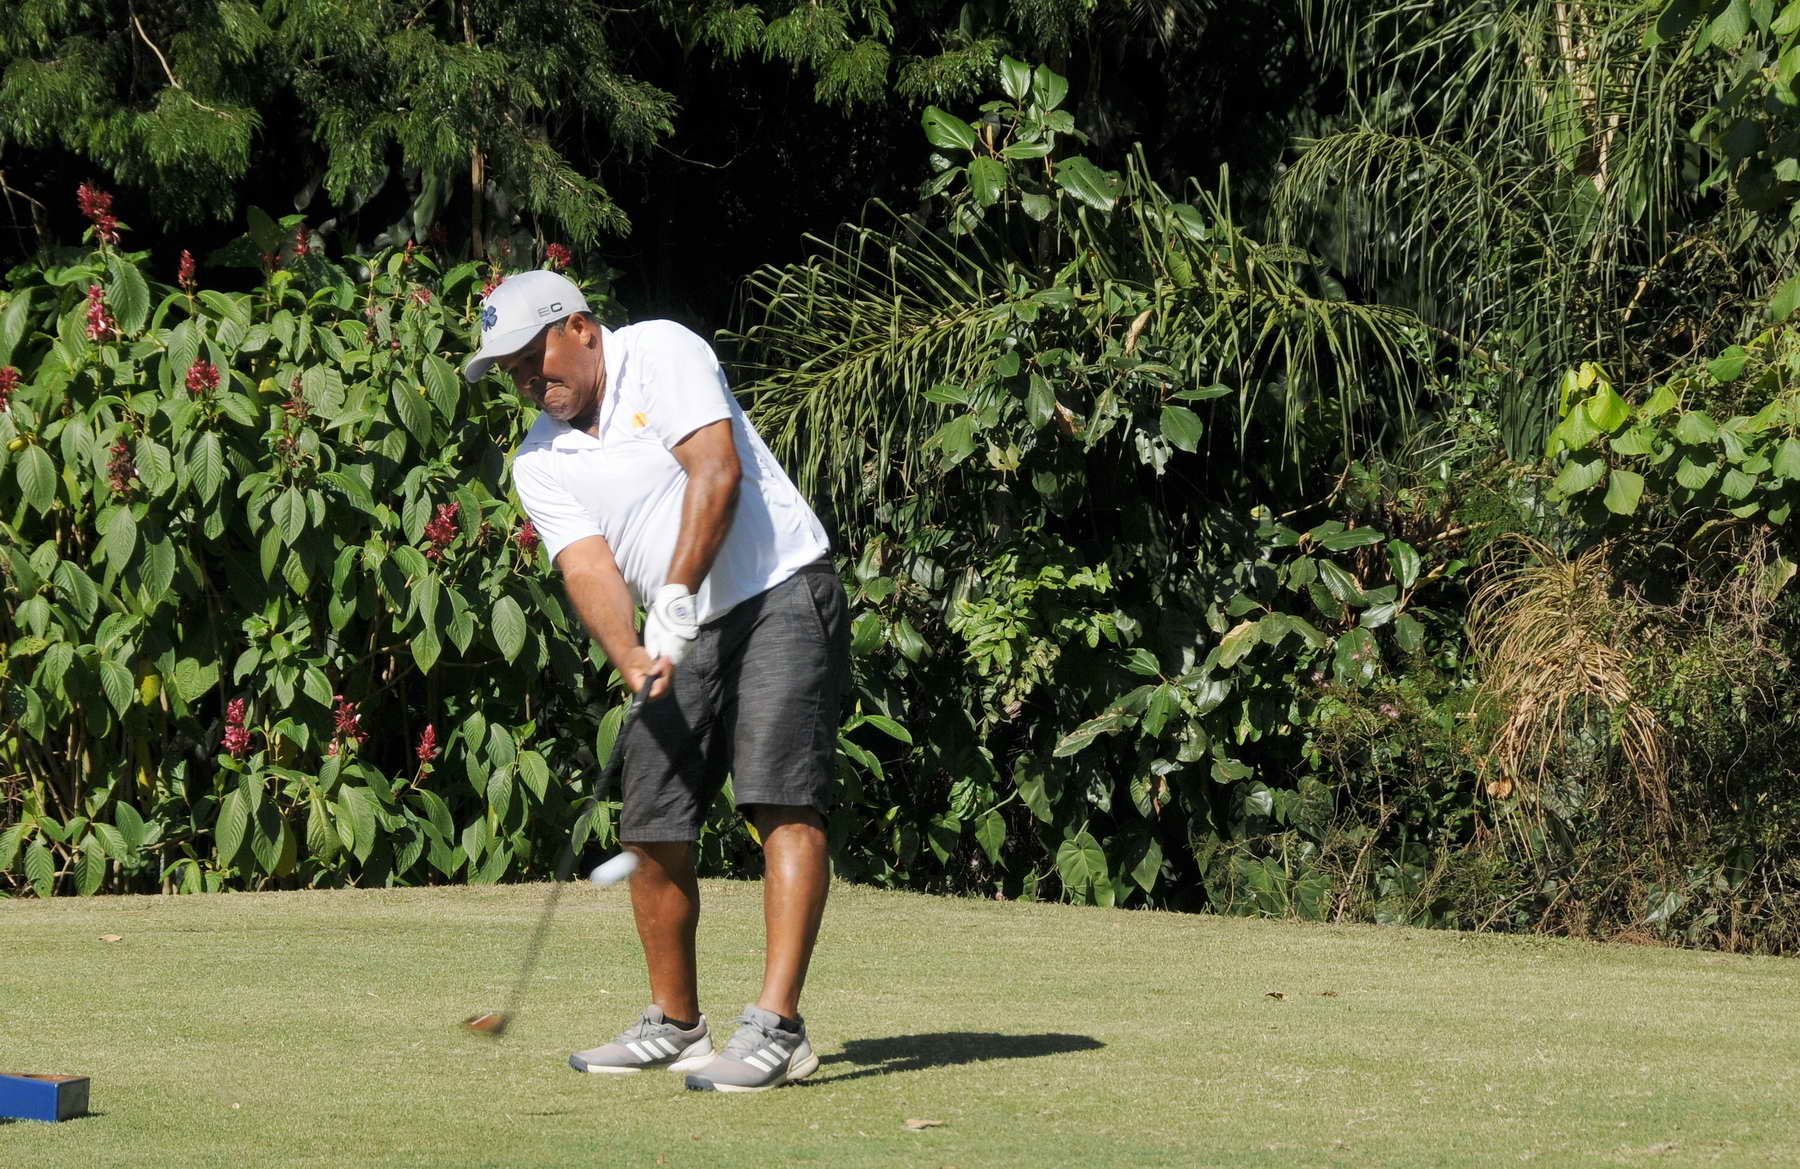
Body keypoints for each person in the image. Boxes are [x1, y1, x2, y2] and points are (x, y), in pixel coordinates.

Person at [463, 269, 849, 1092]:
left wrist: (672, 594)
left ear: (581, 327)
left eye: (535, 357)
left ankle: (778, 1027)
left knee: (781, 799)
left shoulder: (660, 352)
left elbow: (716, 472)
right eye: (512, 371)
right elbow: (587, 566)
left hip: (779, 590)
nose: (529, 380)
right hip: (684, 630)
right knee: (651, 818)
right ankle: (676, 1022)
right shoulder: (539, 460)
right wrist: (630, 653)